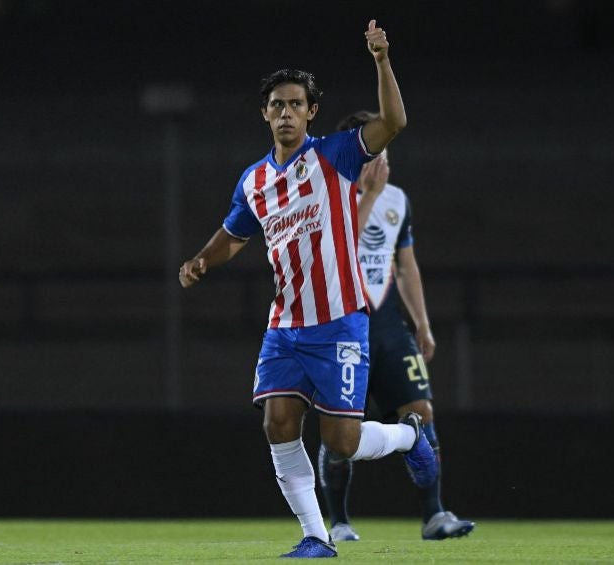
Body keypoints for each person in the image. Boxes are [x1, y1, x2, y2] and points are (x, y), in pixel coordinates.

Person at [179, 20, 437, 559]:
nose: (286, 112)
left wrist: (382, 60)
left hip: (341, 319)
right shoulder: (253, 180)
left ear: (311, 112)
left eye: (296, 104)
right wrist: (203, 260)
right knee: (277, 422)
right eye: (277, 104)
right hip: (286, 324)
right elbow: (234, 235)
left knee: (342, 443)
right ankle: (316, 537)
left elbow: (394, 121)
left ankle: (411, 434)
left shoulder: (338, 155)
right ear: (265, 113)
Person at [318, 111, 476, 542]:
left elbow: (405, 266)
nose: (380, 159)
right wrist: (367, 193)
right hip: (340, 327)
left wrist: (422, 323)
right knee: (340, 429)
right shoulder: (328, 194)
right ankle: (339, 522)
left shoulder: (398, 200)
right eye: (371, 150)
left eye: (384, 149)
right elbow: (337, 247)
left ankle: (434, 515)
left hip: (387, 327)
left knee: (421, 412)